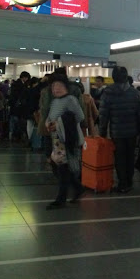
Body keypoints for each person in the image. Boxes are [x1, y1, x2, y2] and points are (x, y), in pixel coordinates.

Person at [98, 66, 140, 193]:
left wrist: (102, 132)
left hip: (117, 132)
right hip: (132, 132)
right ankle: (129, 182)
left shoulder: (107, 93)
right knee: (130, 157)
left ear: (113, 77)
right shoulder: (135, 93)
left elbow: (103, 115)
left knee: (119, 158)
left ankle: (122, 183)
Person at [46, 75, 85, 209]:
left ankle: (61, 199)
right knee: (61, 168)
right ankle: (78, 188)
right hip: (57, 141)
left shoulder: (71, 100)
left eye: (59, 86)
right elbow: (50, 117)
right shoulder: (54, 102)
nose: (55, 89)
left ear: (66, 87)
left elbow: (79, 117)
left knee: (63, 169)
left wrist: (59, 124)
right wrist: (48, 124)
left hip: (68, 139)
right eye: (53, 86)